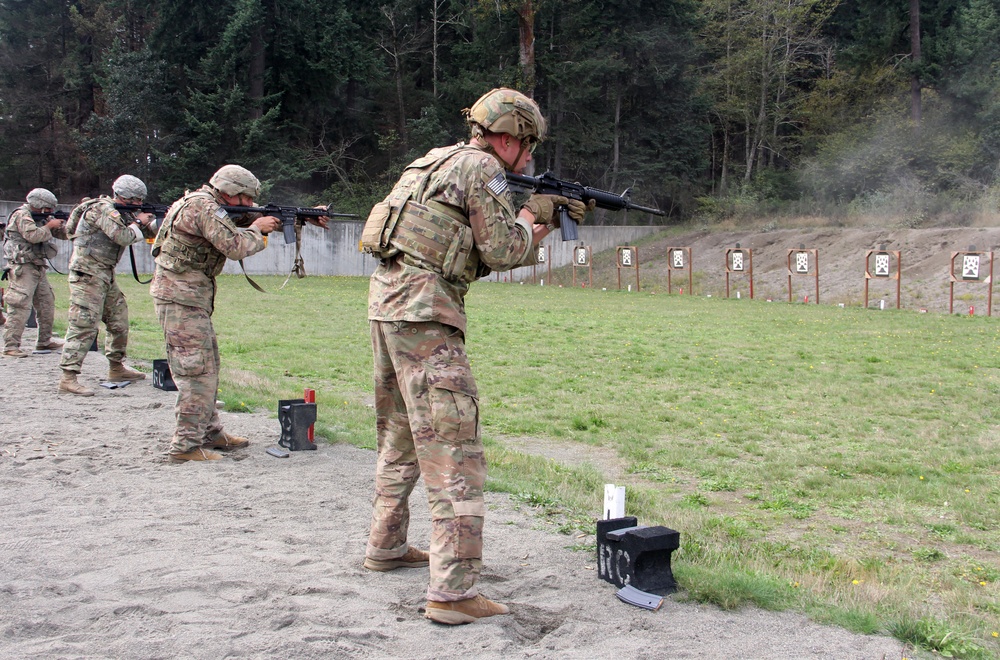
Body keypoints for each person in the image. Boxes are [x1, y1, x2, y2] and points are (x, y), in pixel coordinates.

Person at [361, 88, 589, 625]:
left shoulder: (431, 164)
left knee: (400, 435)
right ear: (506, 137)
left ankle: (386, 544)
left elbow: (460, 249)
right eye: (526, 145)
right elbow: (503, 251)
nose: (528, 157)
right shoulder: (482, 170)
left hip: (388, 307)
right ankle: (453, 593)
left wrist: (532, 212)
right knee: (453, 450)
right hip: (426, 316)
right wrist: (537, 218)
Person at [149, 165, 285, 463]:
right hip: (181, 298)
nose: (249, 205)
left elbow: (234, 224)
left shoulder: (202, 203)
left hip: (188, 297)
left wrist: (297, 218)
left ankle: (209, 433)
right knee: (196, 373)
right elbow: (235, 245)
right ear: (229, 191)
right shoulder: (203, 207)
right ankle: (185, 447)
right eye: (246, 198)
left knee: (207, 365)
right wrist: (258, 228)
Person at [57, 175, 158, 396]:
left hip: (104, 274)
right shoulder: (102, 210)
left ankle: (116, 367)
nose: (138, 204)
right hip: (87, 274)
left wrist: (159, 221)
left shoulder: (122, 211)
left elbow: (147, 230)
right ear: (122, 196)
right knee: (83, 324)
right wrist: (139, 221)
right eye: (135, 200)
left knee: (119, 321)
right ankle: (68, 377)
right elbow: (123, 236)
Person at [2, 188, 69, 357]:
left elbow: (63, 234)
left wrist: (64, 224)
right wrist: (49, 225)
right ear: (38, 204)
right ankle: (11, 345)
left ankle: (44, 341)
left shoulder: (41, 218)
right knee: (20, 305)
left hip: (37, 266)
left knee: (46, 303)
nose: (49, 212)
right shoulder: (22, 215)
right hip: (23, 267)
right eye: (46, 208)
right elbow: (33, 235)